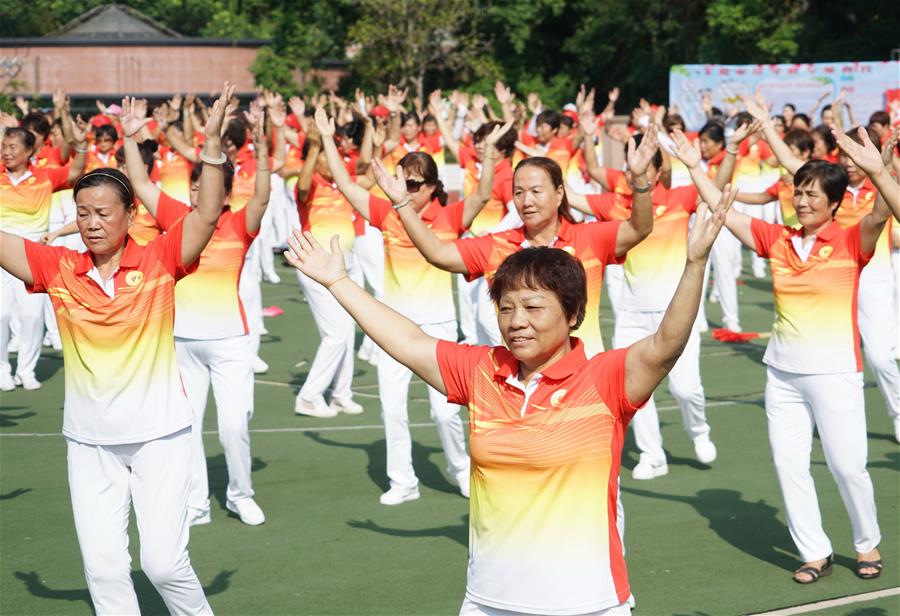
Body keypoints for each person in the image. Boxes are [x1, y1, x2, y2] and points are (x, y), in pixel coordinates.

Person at [282, 180, 735, 615]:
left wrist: (694, 263)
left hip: (587, 602)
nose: (517, 321)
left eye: (534, 308)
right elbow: (409, 342)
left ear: (573, 313)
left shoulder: (606, 378)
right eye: (506, 307)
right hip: (488, 600)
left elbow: (665, 344)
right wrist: (338, 282)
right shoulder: (482, 371)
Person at [0, 82, 235, 614]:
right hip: (89, 444)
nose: (91, 223)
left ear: (131, 215)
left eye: (104, 213)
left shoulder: (159, 260)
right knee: (105, 571)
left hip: (160, 437)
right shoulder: (58, 268)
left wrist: (213, 144)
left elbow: (206, 215)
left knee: (164, 564)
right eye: (83, 213)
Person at [672, 124, 895, 584]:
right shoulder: (778, 241)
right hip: (782, 375)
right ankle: (814, 551)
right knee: (789, 466)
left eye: (814, 195)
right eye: (799, 192)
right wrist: (695, 166)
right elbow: (722, 208)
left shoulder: (853, 242)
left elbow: (889, 211)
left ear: (834, 203)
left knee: (848, 465)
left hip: (834, 372)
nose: (804, 200)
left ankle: (866, 541)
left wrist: (879, 169)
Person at [314, 107, 510, 504]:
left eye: (416, 184)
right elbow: (343, 183)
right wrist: (325, 136)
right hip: (393, 327)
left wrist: (488, 154)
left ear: (433, 186)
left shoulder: (451, 216)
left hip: (437, 326)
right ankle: (403, 482)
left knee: (444, 412)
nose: (407, 189)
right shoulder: (387, 213)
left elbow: (485, 194)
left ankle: (460, 470)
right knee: (392, 408)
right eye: (402, 181)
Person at [121, 96, 270, 526]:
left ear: (225, 192)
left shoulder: (241, 224)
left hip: (229, 343)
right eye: (193, 183)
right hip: (182, 341)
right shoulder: (176, 218)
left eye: (207, 184)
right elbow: (140, 182)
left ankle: (241, 494)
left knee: (233, 427)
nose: (196, 190)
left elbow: (262, 194)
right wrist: (131, 137)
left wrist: (260, 146)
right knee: (186, 429)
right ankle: (197, 502)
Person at [388, 147, 655, 358]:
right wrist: (402, 203)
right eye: (519, 193)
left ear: (559, 193)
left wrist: (640, 180)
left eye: (536, 191)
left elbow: (639, 228)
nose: (526, 201)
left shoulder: (590, 237)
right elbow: (437, 253)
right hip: (523, 392)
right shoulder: (498, 247)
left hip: (586, 385)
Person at [567, 126, 718, 478]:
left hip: (678, 312)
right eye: (631, 165)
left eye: (643, 166)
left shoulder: (682, 197)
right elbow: (571, 197)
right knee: (632, 387)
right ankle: (653, 455)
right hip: (633, 312)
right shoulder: (616, 204)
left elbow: (716, 191)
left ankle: (698, 430)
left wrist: (708, 160)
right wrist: (584, 137)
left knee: (685, 387)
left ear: (656, 169)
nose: (635, 172)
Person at [1, 120, 86, 391]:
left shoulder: (45, 178)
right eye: (4, 146)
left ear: (29, 151)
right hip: (2, 254)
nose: (7, 151)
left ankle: (26, 370)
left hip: (32, 254)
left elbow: (75, 169)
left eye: (13, 147)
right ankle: (3, 370)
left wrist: (81, 144)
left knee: (32, 316)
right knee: (1, 315)